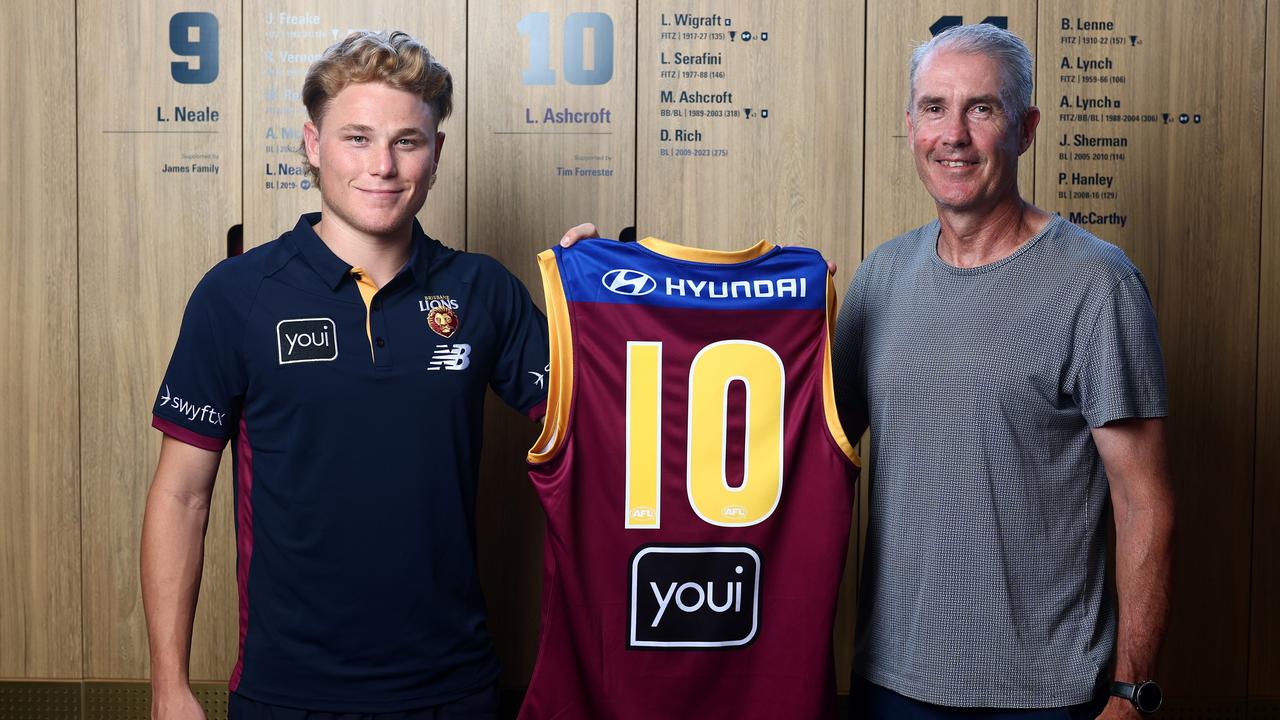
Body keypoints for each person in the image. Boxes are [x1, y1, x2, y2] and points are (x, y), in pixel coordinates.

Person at [142, 31, 548, 719]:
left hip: (453, 689)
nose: (382, 166)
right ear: (312, 145)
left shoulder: (484, 292)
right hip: (286, 694)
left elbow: (603, 424)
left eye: (407, 142)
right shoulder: (237, 295)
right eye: (357, 138)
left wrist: (594, 295)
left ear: (437, 154)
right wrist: (168, 685)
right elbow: (182, 496)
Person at [832, 24, 1173, 719]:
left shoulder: (1096, 285)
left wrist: (1130, 693)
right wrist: (613, 295)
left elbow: (1145, 504)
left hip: (1046, 695)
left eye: (981, 109)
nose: (953, 134)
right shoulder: (880, 279)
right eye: (934, 108)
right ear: (911, 127)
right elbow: (791, 446)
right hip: (890, 685)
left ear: (1025, 130)